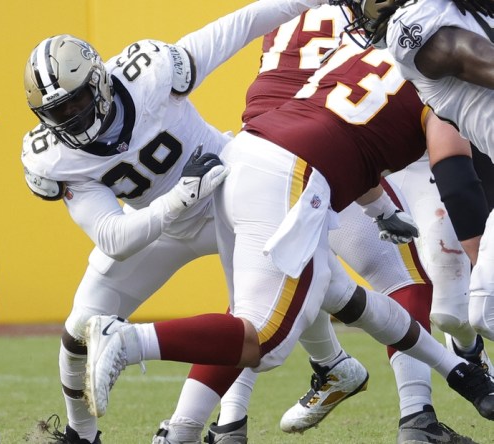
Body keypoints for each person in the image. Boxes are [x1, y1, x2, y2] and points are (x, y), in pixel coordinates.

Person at [17, 0, 399, 442]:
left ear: (99, 80)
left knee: (282, 297)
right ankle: (81, 436)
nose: (74, 118)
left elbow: (242, 24)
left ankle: (313, 378)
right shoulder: (52, 158)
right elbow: (113, 237)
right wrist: (177, 199)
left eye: (78, 101)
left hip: (230, 194)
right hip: (159, 225)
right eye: (59, 112)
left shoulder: (151, 71)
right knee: (78, 334)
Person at [83, 40, 494, 437]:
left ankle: (462, 375)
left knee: (340, 294)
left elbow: (340, 130)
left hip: (245, 154)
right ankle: (128, 339)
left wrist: (383, 212)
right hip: (293, 181)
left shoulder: (357, 50)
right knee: (262, 338)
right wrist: (481, 264)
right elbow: (455, 179)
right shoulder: (441, 78)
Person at [336, 0, 494, 341]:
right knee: (482, 310)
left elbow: (463, 53)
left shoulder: (411, 23)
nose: (354, 13)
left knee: (486, 309)